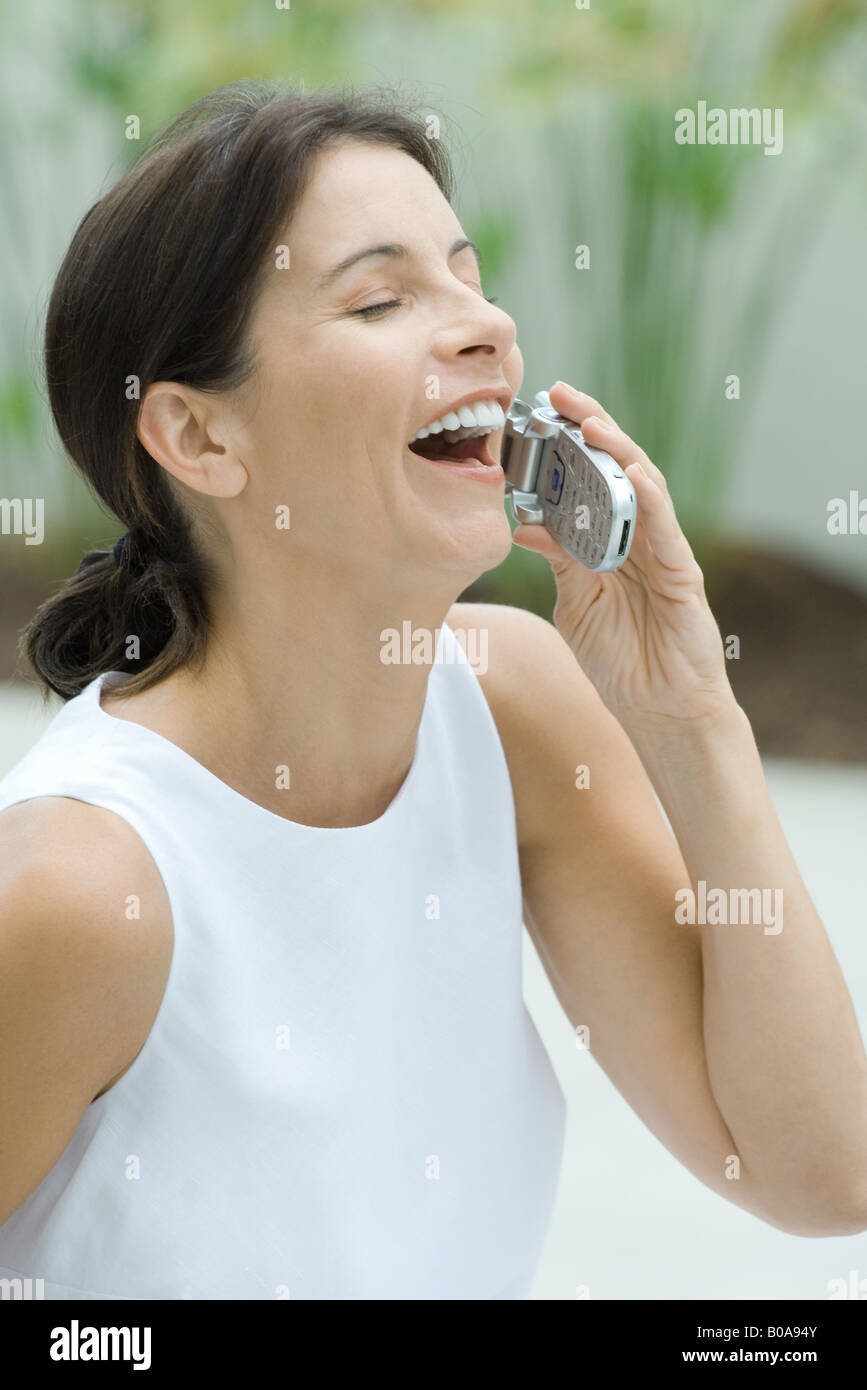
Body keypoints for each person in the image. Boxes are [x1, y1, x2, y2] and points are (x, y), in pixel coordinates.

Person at [1, 79, 865, 1301]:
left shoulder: (509, 709)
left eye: (468, 276)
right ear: (198, 438)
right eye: (383, 297)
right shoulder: (85, 888)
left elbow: (817, 1171)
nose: (484, 329)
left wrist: (689, 714)